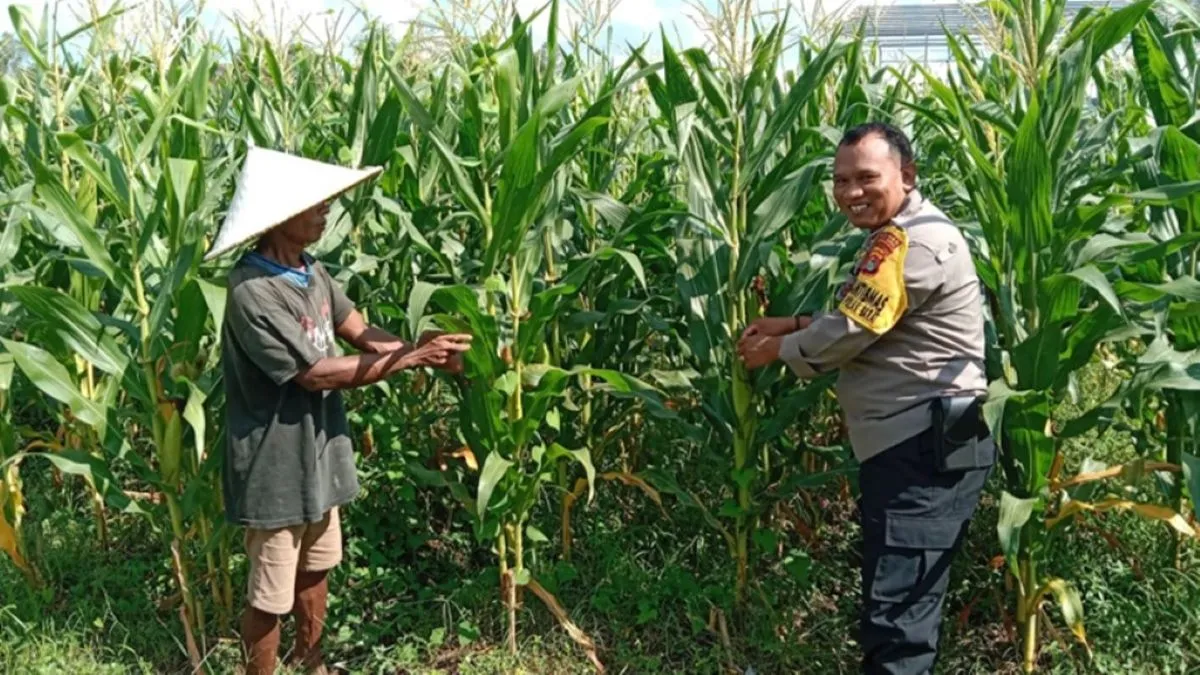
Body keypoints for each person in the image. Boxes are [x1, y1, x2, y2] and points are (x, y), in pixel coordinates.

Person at [737, 122, 995, 674]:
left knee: (899, 619)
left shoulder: (916, 241)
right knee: (898, 605)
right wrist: (799, 320)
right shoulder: (900, 233)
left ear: (906, 175)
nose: (851, 191)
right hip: (918, 443)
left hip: (924, 448)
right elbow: (877, 315)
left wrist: (780, 348)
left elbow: (854, 327)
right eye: (840, 180)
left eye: (867, 178)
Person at [205, 147, 472, 675]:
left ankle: (313, 662)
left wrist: (428, 352)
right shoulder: (252, 291)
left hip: (321, 452)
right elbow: (314, 373)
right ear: (280, 216)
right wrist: (407, 358)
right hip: (273, 462)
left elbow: (360, 333)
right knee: (270, 590)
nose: (326, 211)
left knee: (317, 568)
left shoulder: (311, 272)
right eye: (316, 204)